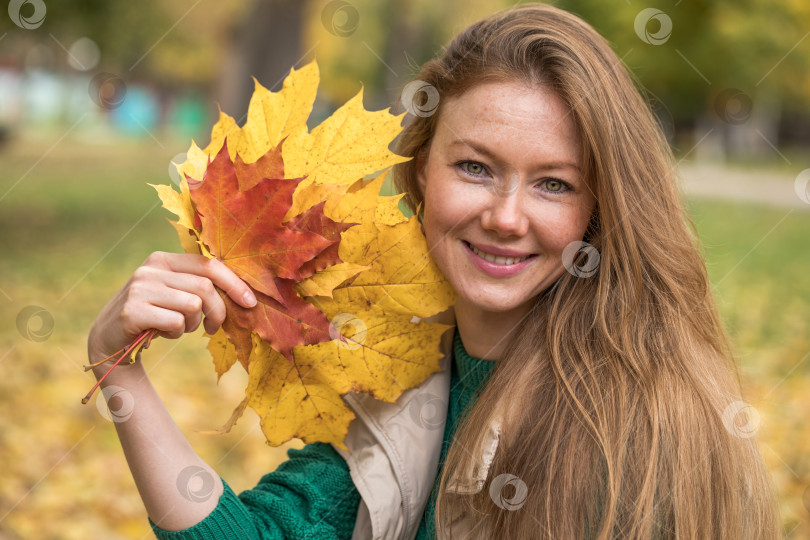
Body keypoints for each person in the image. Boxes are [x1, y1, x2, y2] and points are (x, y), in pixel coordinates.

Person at [86, 4, 781, 539]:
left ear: (600, 209)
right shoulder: (401, 361)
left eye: (554, 185)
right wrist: (118, 371)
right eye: (475, 168)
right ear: (422, 170)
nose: (507, 217)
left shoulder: (637, 421)